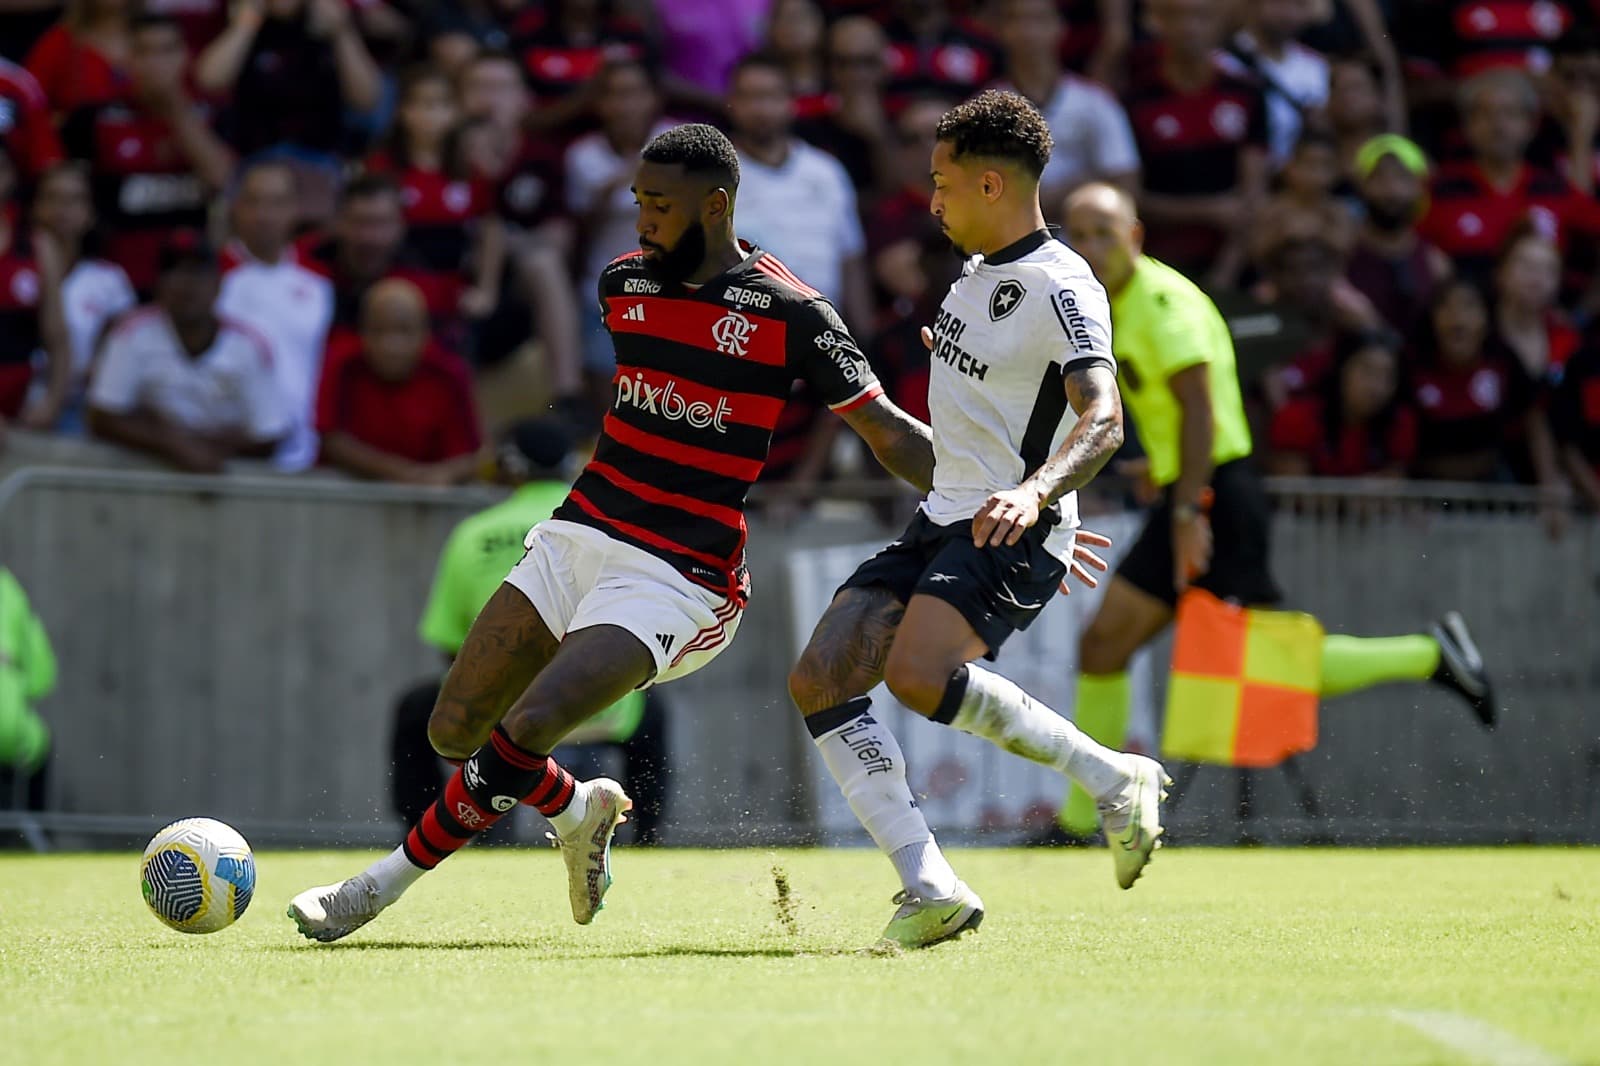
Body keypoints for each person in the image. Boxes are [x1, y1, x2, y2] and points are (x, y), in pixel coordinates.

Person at [287, 122, 938, 943]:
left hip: (681, 573)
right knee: (453, 726)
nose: (643, 219)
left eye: (660, 205)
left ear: (717, 206)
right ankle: (576, 807)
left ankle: (374, 889)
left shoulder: (793, 311)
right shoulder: (621, 284)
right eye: (639, 201)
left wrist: (998, 494)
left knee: (528, 726)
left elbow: (887, 433)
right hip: (581, 533)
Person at [787, 90, 1160, 952]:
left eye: (942, 182)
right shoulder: (974, 277)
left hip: (1005, 527)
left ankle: (1111, 779)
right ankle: (931, 887)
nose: (932, 201)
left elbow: (1103, 418)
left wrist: (1040, 497)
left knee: (917, 677)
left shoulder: (1063, 285)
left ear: (991, 185)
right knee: (819, 679)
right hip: (948, 516)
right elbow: (983, 428)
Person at [1051, 183, 1499, 840]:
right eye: (1079, 235)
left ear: (1135, 237)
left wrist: (1187, 510)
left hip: (1214, 501)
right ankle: (1079, 821)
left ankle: (1429, 655)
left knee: (1263, 665)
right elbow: (1189, 415)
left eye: (1104, 233)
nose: (1091, 247)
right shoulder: (1114, 303)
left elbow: (1201, 408)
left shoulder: (1162, 301)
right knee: (1103, 646)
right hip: (1194, 491)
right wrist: (1166, 471)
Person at [87, 231, 289, 472]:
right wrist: (172, 444)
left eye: (198, 272)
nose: (187, 283)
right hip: (149, 476)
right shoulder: (132, 334)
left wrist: (205, 447)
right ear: (158, 284)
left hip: (227, 480)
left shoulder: (248, 346)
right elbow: (103, 417)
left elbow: (269, 435)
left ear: (218, 284)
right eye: (174, 271)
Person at [217, 159, 335, 472]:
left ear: (295, 209)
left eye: (277, 203)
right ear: (235, 207)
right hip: (228, 453)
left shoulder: (320, 282)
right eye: (253, 201)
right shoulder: (211, 278)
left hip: (305, 454)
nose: (264, 214)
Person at [314, 278, 483, 486]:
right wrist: (401, 473)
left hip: (428, 495)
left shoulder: (449, 375)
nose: (391, 345)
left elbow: (471, 455)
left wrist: (441, 475)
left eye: (404, 331)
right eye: (379, 330)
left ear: (425, 334)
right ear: (362, 332)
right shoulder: (342, 364)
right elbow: (331, 441)